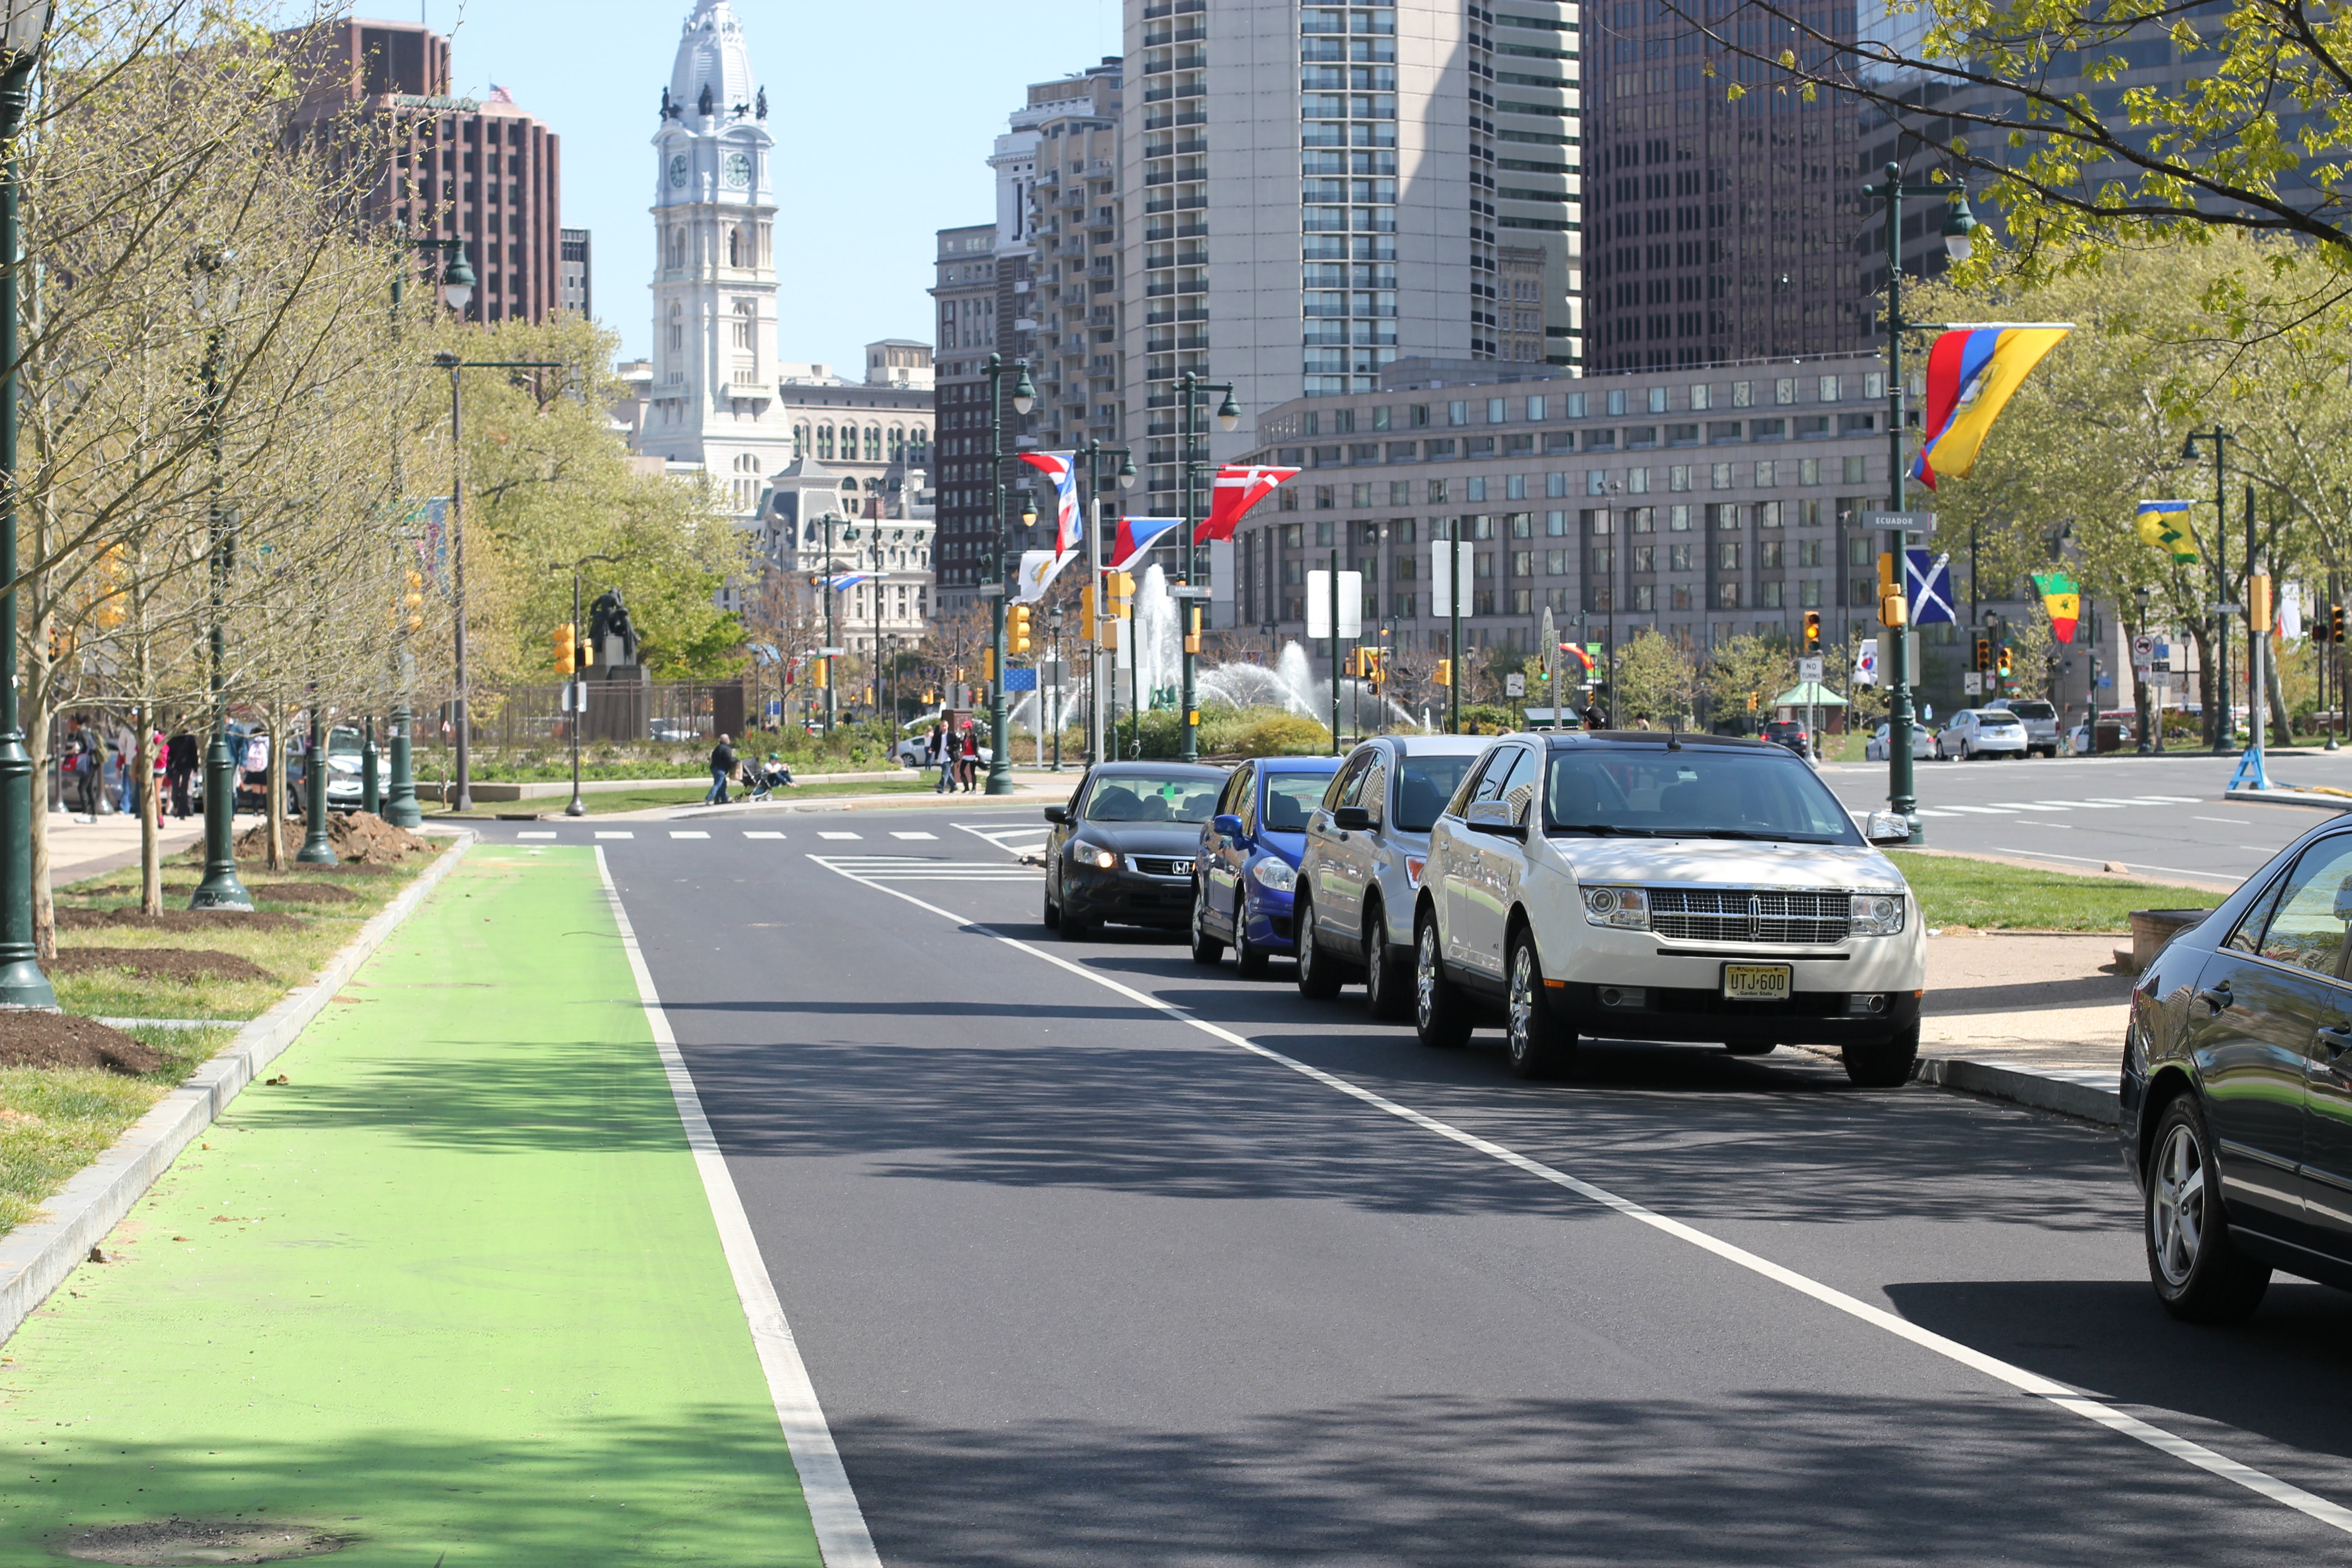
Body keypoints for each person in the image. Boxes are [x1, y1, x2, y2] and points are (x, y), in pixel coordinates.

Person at [63, 715, 98, 822]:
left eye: (70, 721)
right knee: (89, 788)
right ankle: (94, 815)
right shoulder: (85, 730)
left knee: (82, 788)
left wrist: (79, 751)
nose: (69, 724)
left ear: (75, 721)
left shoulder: (82, 732)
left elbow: (89, 747)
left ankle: (86, 813)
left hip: (88, 764)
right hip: (93, 763)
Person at [166, 730, 198, 819]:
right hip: (176, 767)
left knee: (184, 790)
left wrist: (195, 767)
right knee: (175, 790)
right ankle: (176, 806)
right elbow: (169, 752)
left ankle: (182, 812)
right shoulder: (174, 737)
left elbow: (194, 752)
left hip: (187, 766)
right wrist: (169, 766)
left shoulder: (190, 738)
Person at [706, 732, 736, 805]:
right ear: (727, 740)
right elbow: (729, 759)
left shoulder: (717, 748)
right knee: (718, 784)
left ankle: (722, 799)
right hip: (720, 770)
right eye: (729, 739)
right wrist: (736, 760)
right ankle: (708, 798)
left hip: (714, 768)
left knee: (723, 784)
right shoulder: (727, 749)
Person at [928, 720, 952, 795]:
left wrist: (950, 748)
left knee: (945, 773)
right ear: (941, 727)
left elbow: (956, 745)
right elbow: (934, 745)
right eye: (942, 726)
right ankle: (954, 786)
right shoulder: (938, 736)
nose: (944, 728)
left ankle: (942, 788)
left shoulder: (951, 735)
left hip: (949, 757)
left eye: (945, 726)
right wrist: (932, 749)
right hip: (941, 757)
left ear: (948, 726)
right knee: (948, 773)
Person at [957, 720, 980, 793]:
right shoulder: (965, 737)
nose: (965, 729)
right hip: (966, 756)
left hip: (972, 756)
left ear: (969, 728)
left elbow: (976, 746)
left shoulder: (974, 736)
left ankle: (974, 788)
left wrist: (977, 756)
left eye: (966, 728)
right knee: (961, 771)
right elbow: (964, 745)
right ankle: (966, 787)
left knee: (972, 772)